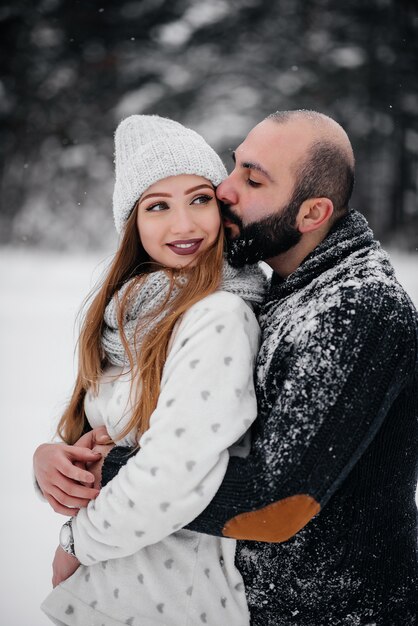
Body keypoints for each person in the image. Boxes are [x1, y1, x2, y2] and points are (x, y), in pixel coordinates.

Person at [84, 110, 418, 625]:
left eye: (253, 179)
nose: (225, 190)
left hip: (336, 615)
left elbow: (275, 505)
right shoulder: (273, 287)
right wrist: (63, 458)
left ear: (311, 214)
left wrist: (108, 473)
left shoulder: (358, 307)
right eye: (235, 165)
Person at [35, 114, 267, 625]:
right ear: (133, 224)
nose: (183, 225)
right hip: (114, 593)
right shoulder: (132, 316)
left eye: (199, 199)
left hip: (176, 598)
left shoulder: (220, 315)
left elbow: (174, 474)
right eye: (157, 206)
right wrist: (51, 462)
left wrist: (78, 542)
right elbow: (100, 440)